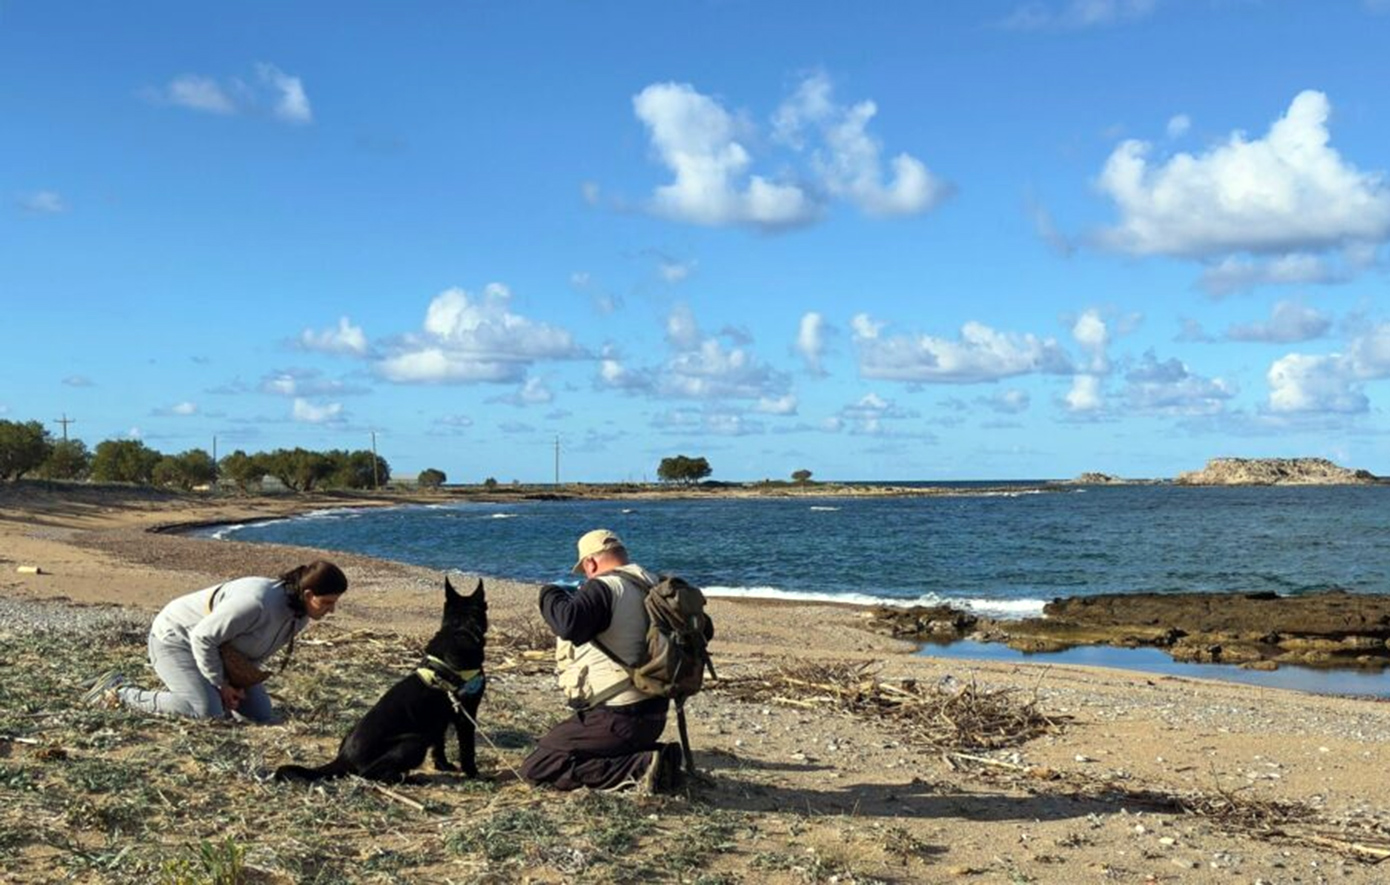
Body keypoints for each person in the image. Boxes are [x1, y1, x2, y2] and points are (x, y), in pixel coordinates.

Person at [519, 529, 685, 793]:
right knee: (567, 744)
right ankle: (659, 757)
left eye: (585, 570)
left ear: (591, 563)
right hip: (654, 714)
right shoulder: (655, 584)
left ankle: (641, 767)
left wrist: (550, 593)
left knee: (538, 766)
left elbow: (568, 624)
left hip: (617, 718)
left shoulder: (605, 587)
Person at [83, 560, 347, 722]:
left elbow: (254, 654)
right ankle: (118, 691)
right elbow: (202, 637)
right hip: (176, 639)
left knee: (260, 715)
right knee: (204, 711)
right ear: (309, 593)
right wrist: (220, 684)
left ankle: (204, 690)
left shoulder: (299, 617)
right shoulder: (256, 602)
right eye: (327, 603)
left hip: (219, 652)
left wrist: (238, 684)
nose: (331, 610)